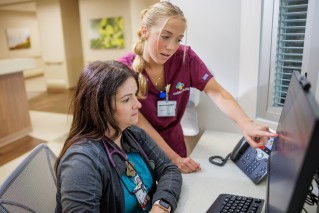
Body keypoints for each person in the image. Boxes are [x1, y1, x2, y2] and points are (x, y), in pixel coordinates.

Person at [118, 1, 278, 174]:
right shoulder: (123, 69)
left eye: (178, 39)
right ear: (145, 32)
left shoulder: (186, 58)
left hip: (175, 142)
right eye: (165, 36)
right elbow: (140, 123)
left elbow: (217, 92)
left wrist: (247, 124)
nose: (171, 47)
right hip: (140, 147)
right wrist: (173, 159)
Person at [55, 60, 182, 212]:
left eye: (135, 95)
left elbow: (169, 169)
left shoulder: (132, 134)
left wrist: (161, 206)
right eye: (126, 99)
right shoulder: (81, 163)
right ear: (101, 107)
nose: (138, 105)